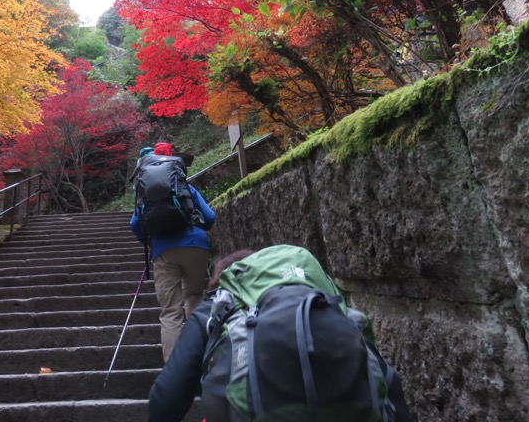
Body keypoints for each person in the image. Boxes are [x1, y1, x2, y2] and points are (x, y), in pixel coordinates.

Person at [146, 246, 415, 422]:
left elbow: (166, 397)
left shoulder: (218, 307)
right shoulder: (323, 302)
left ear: (224, 280)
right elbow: (387, 381)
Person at [129, 141, 216, 362]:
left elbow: (134, 224)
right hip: (195, 244)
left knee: (170, 311)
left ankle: (175, 366)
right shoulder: (186, 188)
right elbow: (211, 217)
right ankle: (202, 358)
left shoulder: (145, 192)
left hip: (163, 250)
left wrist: (147, 241)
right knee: (194, 297)